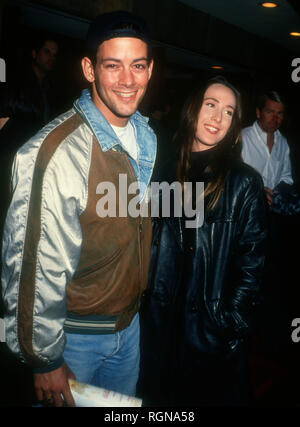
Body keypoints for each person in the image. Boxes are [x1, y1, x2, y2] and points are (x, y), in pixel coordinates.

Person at [1, 10, 156, 407]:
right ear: (89, 69)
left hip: (129, 327)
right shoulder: (54, 153)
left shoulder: (147, 136)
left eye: (137, 66)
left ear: (150, 70)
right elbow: (33, 264)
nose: (127, 80)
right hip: (73, 339)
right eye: (112, 65)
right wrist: (43, 357)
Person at [137, 76, 267, 406]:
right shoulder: (162, 172)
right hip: (158, 331)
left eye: (228, 112)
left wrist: (225, 323)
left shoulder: (244, 183)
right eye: (211, 105)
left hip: (207, 337)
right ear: (193, 108)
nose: (217, 117)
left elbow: (253, 266)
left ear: (235, 126)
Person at [241, 91, 293, 206]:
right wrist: (256, 191)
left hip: (271, 212)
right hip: (245, 209)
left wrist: (279, 194)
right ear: (258, 112)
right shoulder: (242, 138)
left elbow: (286, 177)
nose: (275, 118)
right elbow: (229, 179)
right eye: (270, 112)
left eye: (280, 113)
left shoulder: (283, 143)